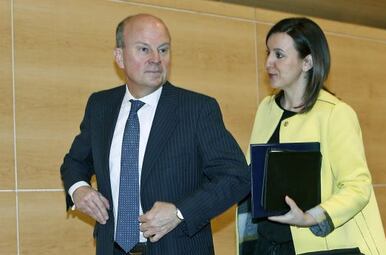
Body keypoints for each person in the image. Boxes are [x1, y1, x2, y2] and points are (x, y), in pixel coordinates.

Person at [60, 13, 250, 255]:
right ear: (119, 56)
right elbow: (75, 162)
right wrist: (79, 189)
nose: (156, 59)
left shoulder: (197, 109)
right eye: (143, 49)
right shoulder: (100, 106)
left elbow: (236, 177)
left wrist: (180, 212)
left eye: (163, 50)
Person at [237, 17, 386, 255]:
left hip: (320, 247)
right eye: (268, 53)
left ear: (307, 62)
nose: (268, 63)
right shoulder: (266, 108)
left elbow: (357, 187)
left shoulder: (336, 113)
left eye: (279, 54)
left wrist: (311, 217)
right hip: (266, 244)